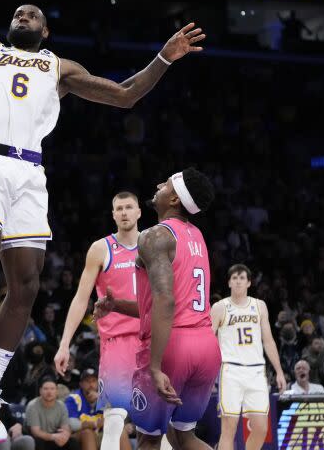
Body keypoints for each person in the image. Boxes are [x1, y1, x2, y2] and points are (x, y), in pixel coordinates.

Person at [0, 0, 206, 443]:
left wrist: (164, 57)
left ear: (45, 31)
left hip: (30, 174)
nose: (23, 14)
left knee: (26, 285)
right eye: (17, 11)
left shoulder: (59, 68)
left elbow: (125, 95)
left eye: (33, 14)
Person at [94, 168, 218, 450]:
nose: (159, 184)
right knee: (185, 438)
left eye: (167, 183)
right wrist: (117, 306)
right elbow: (164, 304)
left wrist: (155, 364)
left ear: (174, 199)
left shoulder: (153, 236)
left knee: (149, 440)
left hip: (173, 347)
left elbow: (166, 302)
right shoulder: (196, 235)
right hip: (205, 345)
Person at [54, 192, 142, 450]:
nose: (124, 212)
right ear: (113, 214)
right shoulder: (100, 248)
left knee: (163, 420)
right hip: (117, 343)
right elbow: (81, 299)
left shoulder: (154, 244)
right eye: (119, 208)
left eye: (129, 207)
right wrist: (64, 344)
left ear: (139, 212)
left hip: (152, 338)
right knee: (114, 419)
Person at [210, 264, 287, 450]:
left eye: (242, 278)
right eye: (234, 278)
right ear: (229, 282)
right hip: (230, 370)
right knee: (229, 428)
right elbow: (209, 343)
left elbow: (268, 341)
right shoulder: (220, 307)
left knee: (261, 428)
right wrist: (209, 374)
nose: (238, 281)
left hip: (256, 371)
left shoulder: (259, 306)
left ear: (249, 282)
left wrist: (279, 371)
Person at [24, 378, 75, 450]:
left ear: (57, 391)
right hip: (38, 438)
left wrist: (65, 435)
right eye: (46, 389)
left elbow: (65, 427)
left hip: (55, 437)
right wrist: (53, 437)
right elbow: (36, 432)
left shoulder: (61, 405)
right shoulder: (33, 405)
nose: (49, 392)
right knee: (38, 442)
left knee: (72, 442)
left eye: (52, 389)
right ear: (40, 391)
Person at [63, 369, 102, 450]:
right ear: (81, 384)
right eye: (87, 381)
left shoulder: (104, 399)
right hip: (76, 436)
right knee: (88, 433)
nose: (91, 384)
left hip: (99, 434)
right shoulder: (73, 398)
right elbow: (71, 424)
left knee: (121, 433)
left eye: (94, 381)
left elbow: (115, 418)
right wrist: (93, 424)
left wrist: (101, 399)